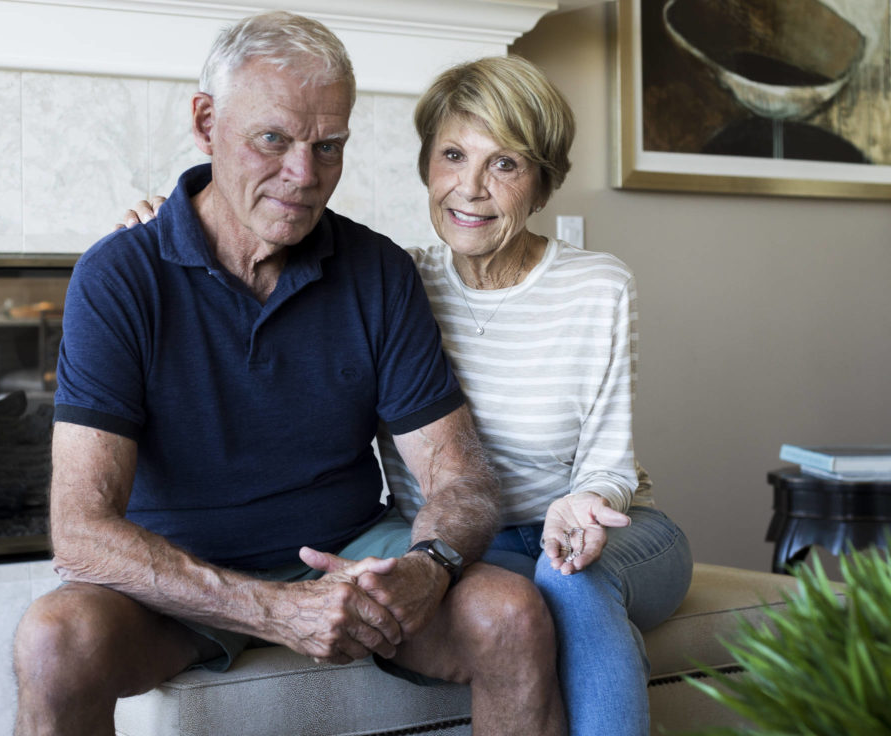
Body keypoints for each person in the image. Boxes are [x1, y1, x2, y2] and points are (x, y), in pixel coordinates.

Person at [12, 12, 565, 736]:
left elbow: (460, 478)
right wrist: (273, 609)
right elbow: (79, 531)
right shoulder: (119, 276)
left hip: (346, 561)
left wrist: (429, 565)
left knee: (511, 613)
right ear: (206, 122)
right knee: (53, 640)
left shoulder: (377, 271)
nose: (304, 178)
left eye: (328, 147)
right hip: (176, 581)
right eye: (272, 139)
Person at [124, 55, 693, 736]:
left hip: (603, 531)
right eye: (453, 155)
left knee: (567, 581)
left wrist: (587, 503)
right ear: (427, 165)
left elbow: (610, 455)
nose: (472, 188)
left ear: (541, 182)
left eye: (505, 164)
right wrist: (170, 227)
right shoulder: (393, 282)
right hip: (460, 541)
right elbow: (250, 248)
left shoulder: (598, 285)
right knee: (509, 600)